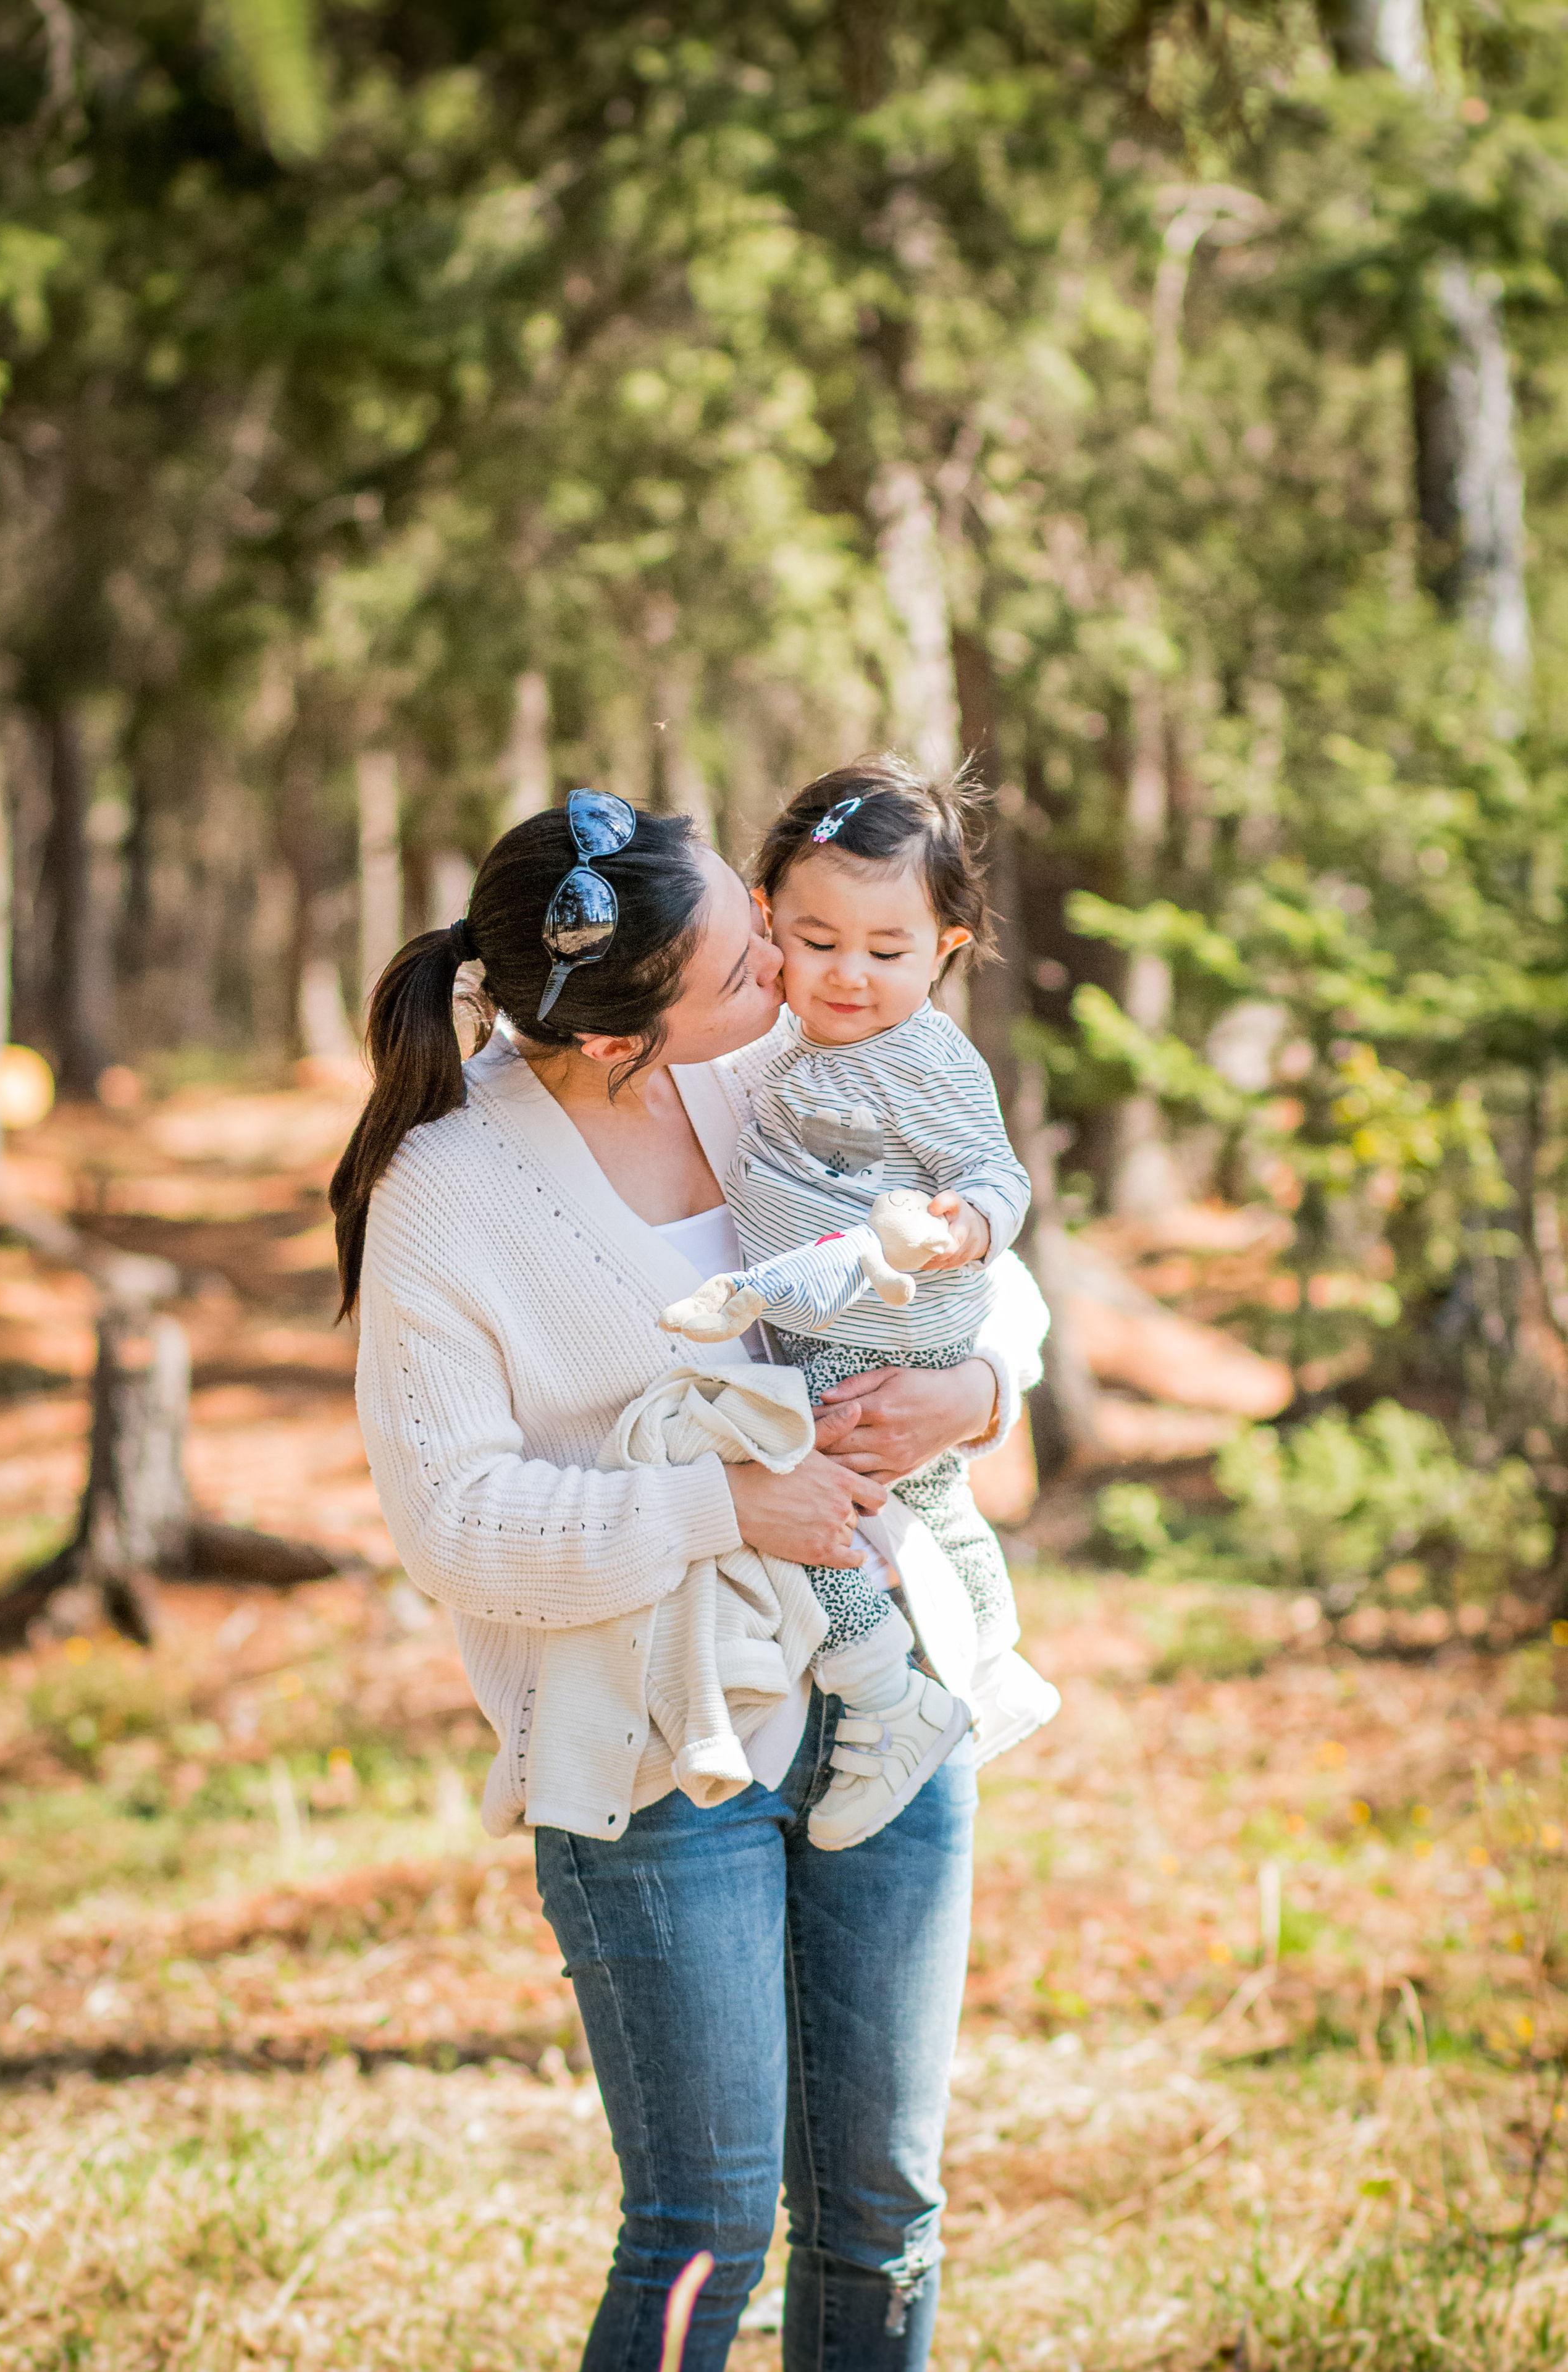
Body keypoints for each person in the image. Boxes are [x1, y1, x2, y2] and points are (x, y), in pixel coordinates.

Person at [332, 782, 1048, 2372]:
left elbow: (969, 1260)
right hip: (668, 1752)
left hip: (893, 1697)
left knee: (881, 2208)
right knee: (708, 2229)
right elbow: (455, 1521)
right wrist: (723, 1503)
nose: (794, 983)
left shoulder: (785, 1072)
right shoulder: (449, 1194)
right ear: (616, 1041)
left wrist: (983, 1388)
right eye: (749, 965)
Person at [658, 758, 1055, 1854]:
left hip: (877, 1330)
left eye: (887, 953)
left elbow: (999, 1176)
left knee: (810, 1508)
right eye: (816, 941)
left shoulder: (921, 1060)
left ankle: (890, 1697)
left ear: (946, 951)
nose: (846, 976)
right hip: (840, 1318)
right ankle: (991, 1656)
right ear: (763, 918)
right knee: (931, 1499)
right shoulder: (762, 1048)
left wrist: (967, 1228)